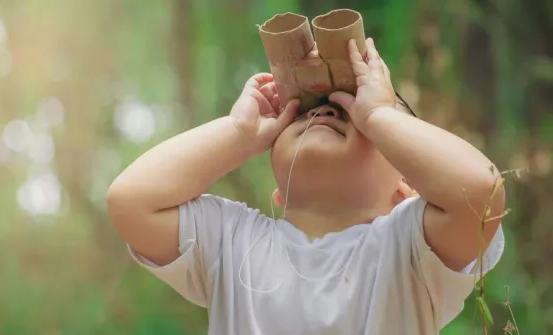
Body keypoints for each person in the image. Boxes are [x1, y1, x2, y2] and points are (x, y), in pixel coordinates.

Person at [106, 38, 506, 334]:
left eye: (354, 107)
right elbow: (131, 201)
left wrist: (380, 114)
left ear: (406, 190)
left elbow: (480, 192)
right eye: (308, 109)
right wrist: (238, 133)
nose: (328, 107)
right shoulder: (232, 241)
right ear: (279, 195)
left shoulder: (411, 248)